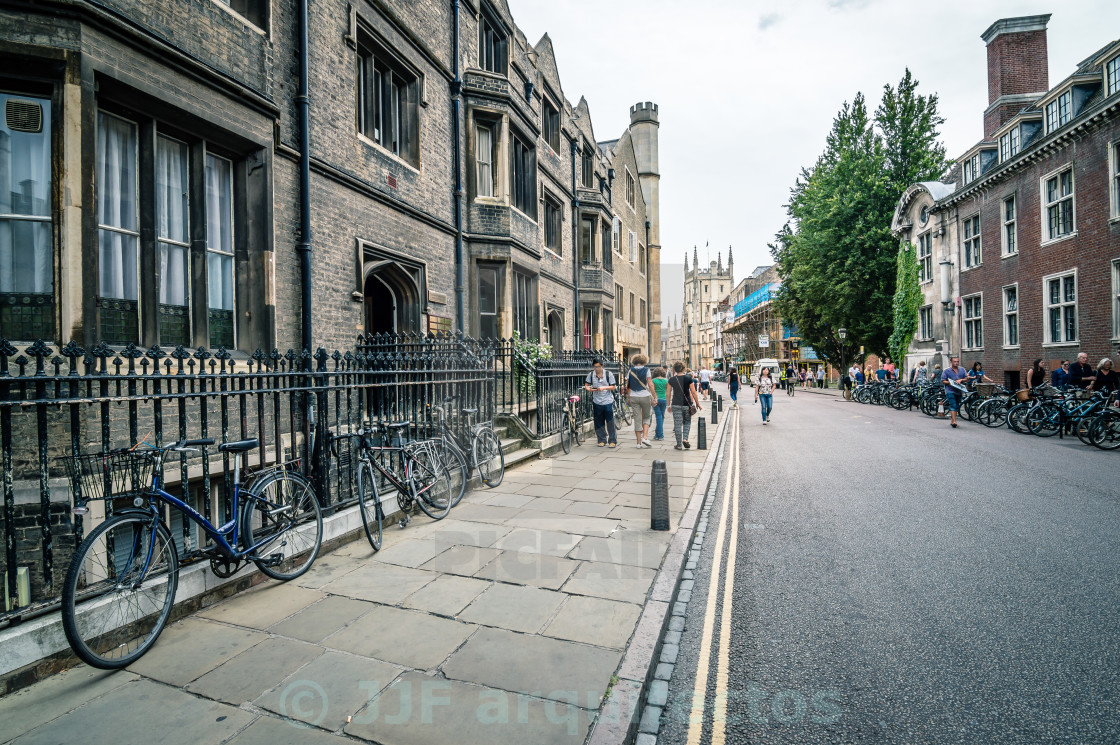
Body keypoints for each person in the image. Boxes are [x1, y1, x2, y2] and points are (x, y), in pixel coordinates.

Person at [626, 354, 657, 449]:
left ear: (634, 361)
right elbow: (650, 384)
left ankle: (638, 443)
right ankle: (645, 437)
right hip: (645, 396)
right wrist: (655, 396)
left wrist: (628, 396)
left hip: (634, 396)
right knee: (647, 417)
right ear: (644, 361)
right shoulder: (646, 370)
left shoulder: (630, 370)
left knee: (637, 419)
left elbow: (628, 385)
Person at [585, 359, 617, 447]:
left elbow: (613, 387)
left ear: (602, 366)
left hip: (607, 401)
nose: (597, 368)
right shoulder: (591, 375)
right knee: (598, 421)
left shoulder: (608, 374)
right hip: (596, 401)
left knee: (610, 421)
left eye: (598, 366)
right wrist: (589, 389)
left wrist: (604, 388)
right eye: (595, 367)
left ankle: (612, 441)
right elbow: (586, 385)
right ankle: (601, 440)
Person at [667, 362, 699, 450]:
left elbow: (668, 393)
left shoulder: (672, 379)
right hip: (687, 404)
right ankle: (685, 439)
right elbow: (693, 392)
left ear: (674, 369)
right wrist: (697, 403)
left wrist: (668, 405)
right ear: (684, 368)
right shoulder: (688, 378)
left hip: (676, 404)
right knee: (687, 422)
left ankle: (679, 445)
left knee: (677, 424)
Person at [941, 356, 969, 428]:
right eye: (954, 361)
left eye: (957, 361)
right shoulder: (946, 371)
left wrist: (961, 380)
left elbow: (966, 378)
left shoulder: (962, 370)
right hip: (950, 390)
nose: (956, 363)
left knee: (957, 405)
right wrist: (951, 383)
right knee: (953, 404)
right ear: (951, 362)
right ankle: (954, 421)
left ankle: (952, 420)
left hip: (959, 391)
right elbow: (943, 380)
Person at [652, 367, 668, 440]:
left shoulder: (653, 381)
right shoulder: (666, 381)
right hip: (664, 400)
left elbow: (653, 391)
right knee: (661, 417)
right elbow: (668, 392)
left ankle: (660, 435)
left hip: (656, 400)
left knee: (659, 417)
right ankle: (657, 434)